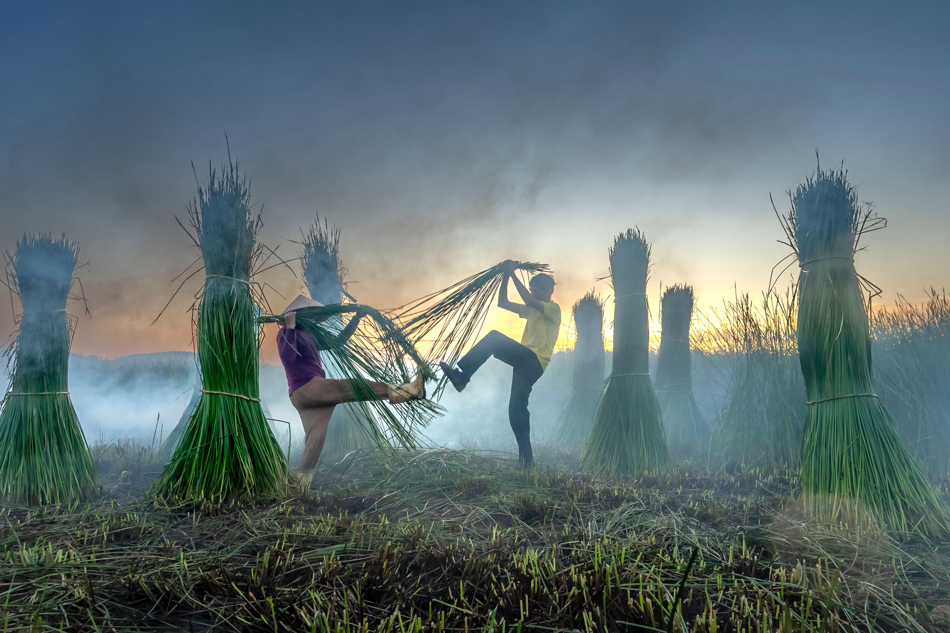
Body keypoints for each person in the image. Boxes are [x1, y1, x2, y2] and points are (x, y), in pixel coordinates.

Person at [277, 295, 425, 485]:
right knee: (357, 386)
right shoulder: (286, 332)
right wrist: (289, 327)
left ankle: (299, 485)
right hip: (308, 388)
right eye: (311, 315)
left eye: (316, 316)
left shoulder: (309, 335)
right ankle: (409, 391)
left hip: (305, 395)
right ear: (299, 315)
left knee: (315, 442)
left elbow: (338, 343)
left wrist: (356, 319)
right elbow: (288, 358)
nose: (314, 319)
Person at [440, 261, 560, 467]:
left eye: (537, 291)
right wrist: (505, 276)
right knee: (516, 408)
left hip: (534, 359)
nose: (533, 294)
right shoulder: (531, 310)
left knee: (494, 339)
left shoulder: (552, 308)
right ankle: (527, 461)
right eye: (532, 290)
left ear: (548, 291)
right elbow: (503, 303)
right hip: (525, 363)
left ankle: (463, 376)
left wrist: (512, 274)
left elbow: (529, 300)